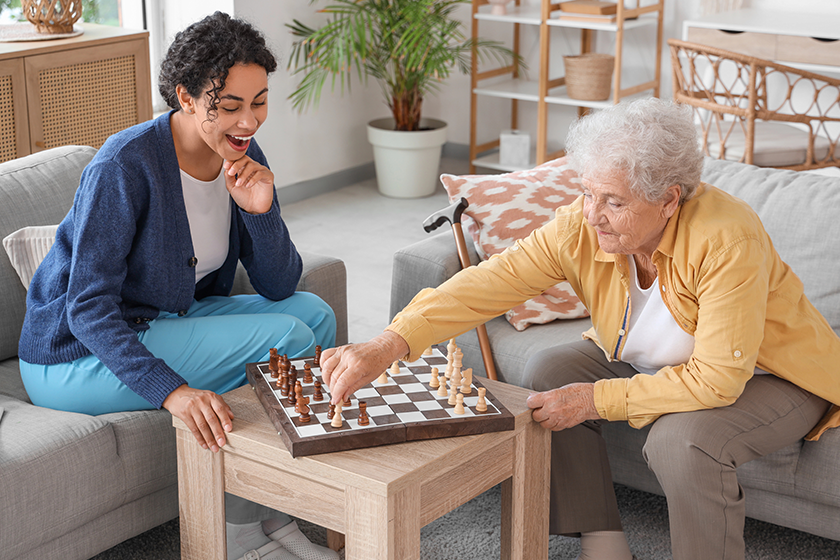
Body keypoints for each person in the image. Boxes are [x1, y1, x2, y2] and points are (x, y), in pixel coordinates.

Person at [319, 98, 840, 560]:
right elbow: (491, 281)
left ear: (669, 200)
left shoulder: (726, 238)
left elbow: (718, 379)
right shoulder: (582, 222)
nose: (593, 215)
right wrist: (389, 342)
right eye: (589, 193)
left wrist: (594, 400)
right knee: (550, 369)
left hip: (769, 374)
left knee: (681, 442)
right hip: (663, 361)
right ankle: (603, 543)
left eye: (614, 201)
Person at [18, 12, 339, 560]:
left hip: (161, 322)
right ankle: (239, 532)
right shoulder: (125, 165)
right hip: (72, 356)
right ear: (186, 97)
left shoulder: (244, 155)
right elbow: (87, 307)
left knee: (315, 316)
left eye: (259, 101)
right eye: (230, 105)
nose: (249, 121)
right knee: (286, 340)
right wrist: (172, 391)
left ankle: (273, 511)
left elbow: (281, 284)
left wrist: (260, 212)